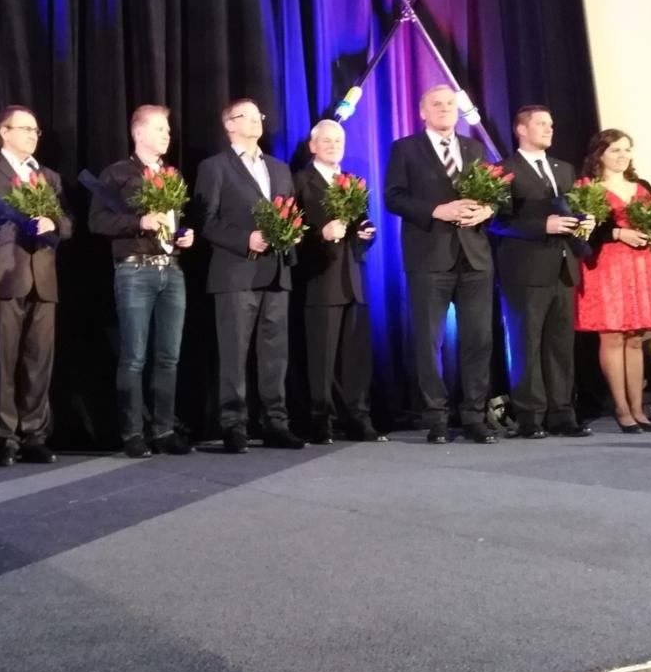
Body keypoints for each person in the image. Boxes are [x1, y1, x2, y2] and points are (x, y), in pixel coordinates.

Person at [383, 85, 498, 445]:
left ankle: (475, 415)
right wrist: (437, 210)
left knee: (478, 339)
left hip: (475, 256)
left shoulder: (474, 148)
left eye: (450, 103)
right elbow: (393, 197)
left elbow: (495, 194)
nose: (445, 108)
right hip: (429, 257)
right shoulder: (405, 149)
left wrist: (488, 209)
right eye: (437, 104)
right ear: (423, 112)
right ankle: (436, 417)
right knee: (429, 341)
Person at [192, 98, 305, 453]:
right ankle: (233, 424)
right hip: (235, 273)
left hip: (277, 272)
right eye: (248, 116)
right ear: (229, 124)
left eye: (260, 116)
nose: (257, 121)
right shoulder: (215, 167)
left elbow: (291, 213)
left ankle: (276, 423)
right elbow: (205, 220)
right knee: (234, 353)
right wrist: (245, 239)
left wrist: (293, 234)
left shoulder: (279, 168)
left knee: (275, 354)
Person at [0, 105, 73, 466]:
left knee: (39, 362)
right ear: (3, 132)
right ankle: (3, 437)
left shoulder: (48, 176)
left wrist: (54, 224)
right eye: (25, 128)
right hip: (3, 278)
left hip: (43, 279)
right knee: (2, 360)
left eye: (35, 130)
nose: (32, 135)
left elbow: (68, 224)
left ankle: (34, 434)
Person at [88, 104, 196, 458]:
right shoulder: (117, 173)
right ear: (138, 132)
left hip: (172, 269)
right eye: (160, 128)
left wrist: (183, 235)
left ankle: (164, 430)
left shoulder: (172, 176)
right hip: (135, 270)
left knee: (169, 357)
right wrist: (140, 222)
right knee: (134, 356)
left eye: (168, 129)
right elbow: (97, 221)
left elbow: (174, 220)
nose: (167, 135)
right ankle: (132, 433)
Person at [490, 105, 593, 439]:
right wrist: (540, 226)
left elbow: (573, 211)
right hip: (525, 269)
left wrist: (585, 221)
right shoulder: (504, 169)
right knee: (526, 345)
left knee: (560, 345)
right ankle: (530, 416)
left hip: (564, 267)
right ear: (521, 129)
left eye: (551, 124)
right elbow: (496, 221)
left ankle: (563, 414)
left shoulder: (564, 169)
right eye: (541, 124)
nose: (549, 129)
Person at [574, 130, 651, 433]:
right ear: (600, 154)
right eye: (616, 150)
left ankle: (638, 407)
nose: (623, 156)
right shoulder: (588, 188)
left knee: (634, 338)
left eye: (627, 150)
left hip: (640, 266)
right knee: (613, 337)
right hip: (607, 266)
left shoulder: (642, 186)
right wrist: (618, 233)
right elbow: (583, 233)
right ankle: (620, 408)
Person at [293, 119, 383, 445]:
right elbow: (290, 233)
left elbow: (360, 226)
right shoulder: (300, 181)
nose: (333, 146)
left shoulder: (352, 181)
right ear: (312, 146)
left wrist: (365, 233)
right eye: (326, 140)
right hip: (320, 279)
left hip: (353, 278)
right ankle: (321, 421)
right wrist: (322, 233)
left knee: (355, 358)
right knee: (321, 357)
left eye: (338, 141)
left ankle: (358, 419)